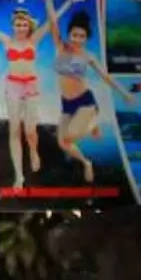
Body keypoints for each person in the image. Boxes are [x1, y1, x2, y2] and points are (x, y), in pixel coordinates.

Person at [52, 11, 113, 184]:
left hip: (85, 101)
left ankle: (93, 123)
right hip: (66, 103)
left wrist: (125, 93)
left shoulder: (88, 56)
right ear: (69, 35)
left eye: (82, 36)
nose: (78, 39)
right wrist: (48, 1)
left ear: (86, 38)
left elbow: (105, 77)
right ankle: (86, 162)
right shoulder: (61, 48)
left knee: (71, 136)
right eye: (75, 35)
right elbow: (53, 24)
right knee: (63, 143)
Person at [0, 5, 47, 184]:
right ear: (13, 26)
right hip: (13, 85)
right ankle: (18, 175)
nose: (21, 28)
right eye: (18, 25)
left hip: (31, 85)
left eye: (24, 25)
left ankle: (33, 151)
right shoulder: (6, 40)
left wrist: (68, 1)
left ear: (29, 26)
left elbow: (52, 21)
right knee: (14, 130)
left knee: (30, 131)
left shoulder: (33, 40)